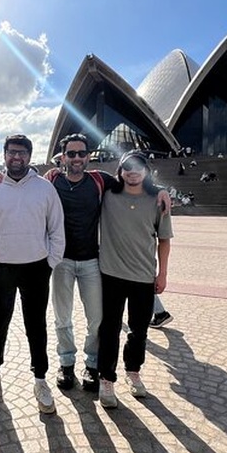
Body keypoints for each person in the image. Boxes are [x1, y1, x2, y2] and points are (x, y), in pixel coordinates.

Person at [43, 134, 171, 392]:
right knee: (62, 318)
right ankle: (66, 364)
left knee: (96, 321)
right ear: (62, 157)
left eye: (81, 153)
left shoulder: (100, 180)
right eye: (71, 153)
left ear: (88, 156)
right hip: (61, 262)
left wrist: (160, 189)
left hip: (92, 261)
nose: (77, 158)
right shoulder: (52, 181)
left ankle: (92, 365)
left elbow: (135, 180)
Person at [0, 134, 65, 414]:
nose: (17, 157)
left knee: (36, 326)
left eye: (22, 153)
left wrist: (51, 262)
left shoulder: (45, 189)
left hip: (37, 267)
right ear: (4, 155)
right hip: (0, 268)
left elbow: (56, 229)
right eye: (12, 152)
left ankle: (40, 379)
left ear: (29, 156)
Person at [97, 150, 172, 408]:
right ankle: (106, 379)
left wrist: (162, 274)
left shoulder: (157, 201)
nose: (132, 172)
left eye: (138, 167)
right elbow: (83, 176)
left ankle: (133, 372)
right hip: (110, 274)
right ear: (120, 170)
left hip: (142, 277)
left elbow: (164, 240)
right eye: (127, 167)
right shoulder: (107, 195)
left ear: (146, 171)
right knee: (109, 330)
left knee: (139, 331)